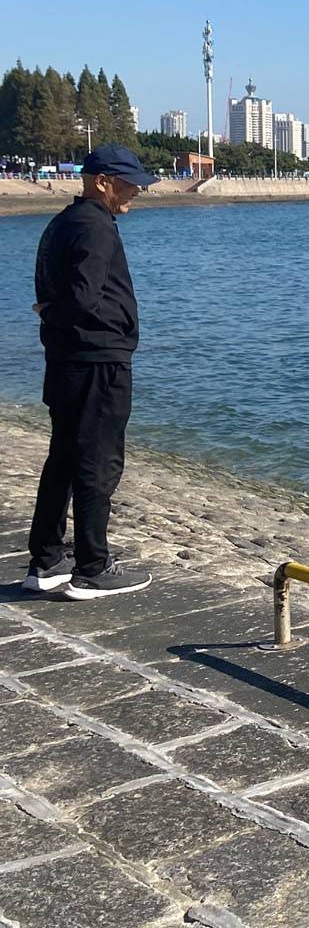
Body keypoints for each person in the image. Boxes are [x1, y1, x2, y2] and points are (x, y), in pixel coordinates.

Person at [23, 145, 156, 599]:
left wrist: (51, 314)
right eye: (129, 183)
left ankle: (47, 560)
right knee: (98, 460)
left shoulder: (65, 221)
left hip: (68, 359)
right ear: (101, 181)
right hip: (97, 359)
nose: (136, 192)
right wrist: (51, 313)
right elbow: (81, 299)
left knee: (64, 455)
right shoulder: (94, 226)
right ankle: (93, 567)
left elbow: (62, 291)